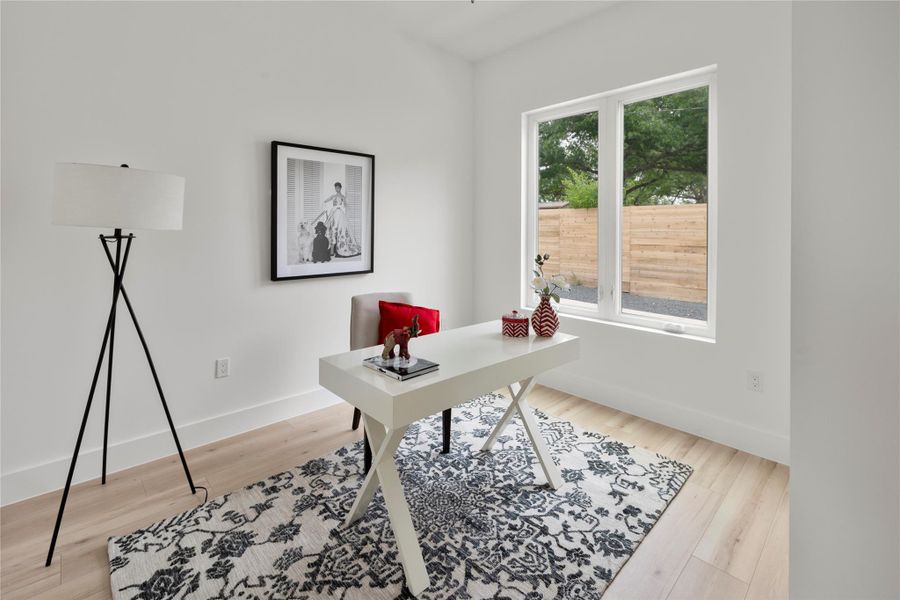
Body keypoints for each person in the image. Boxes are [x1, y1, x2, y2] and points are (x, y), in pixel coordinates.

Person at [314, 182, 361, 257]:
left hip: (340, 213)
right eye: (336, 188)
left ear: (340, 188)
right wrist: (325, 206)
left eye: (338, 188)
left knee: (341, 229)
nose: (337, 189)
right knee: (332, 229)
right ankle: (331, 249)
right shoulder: (333, 196)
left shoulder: (342, 196)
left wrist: (345, 205)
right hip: (334, 212)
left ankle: (340, 248)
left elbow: (345, 205)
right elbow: (325, 201)